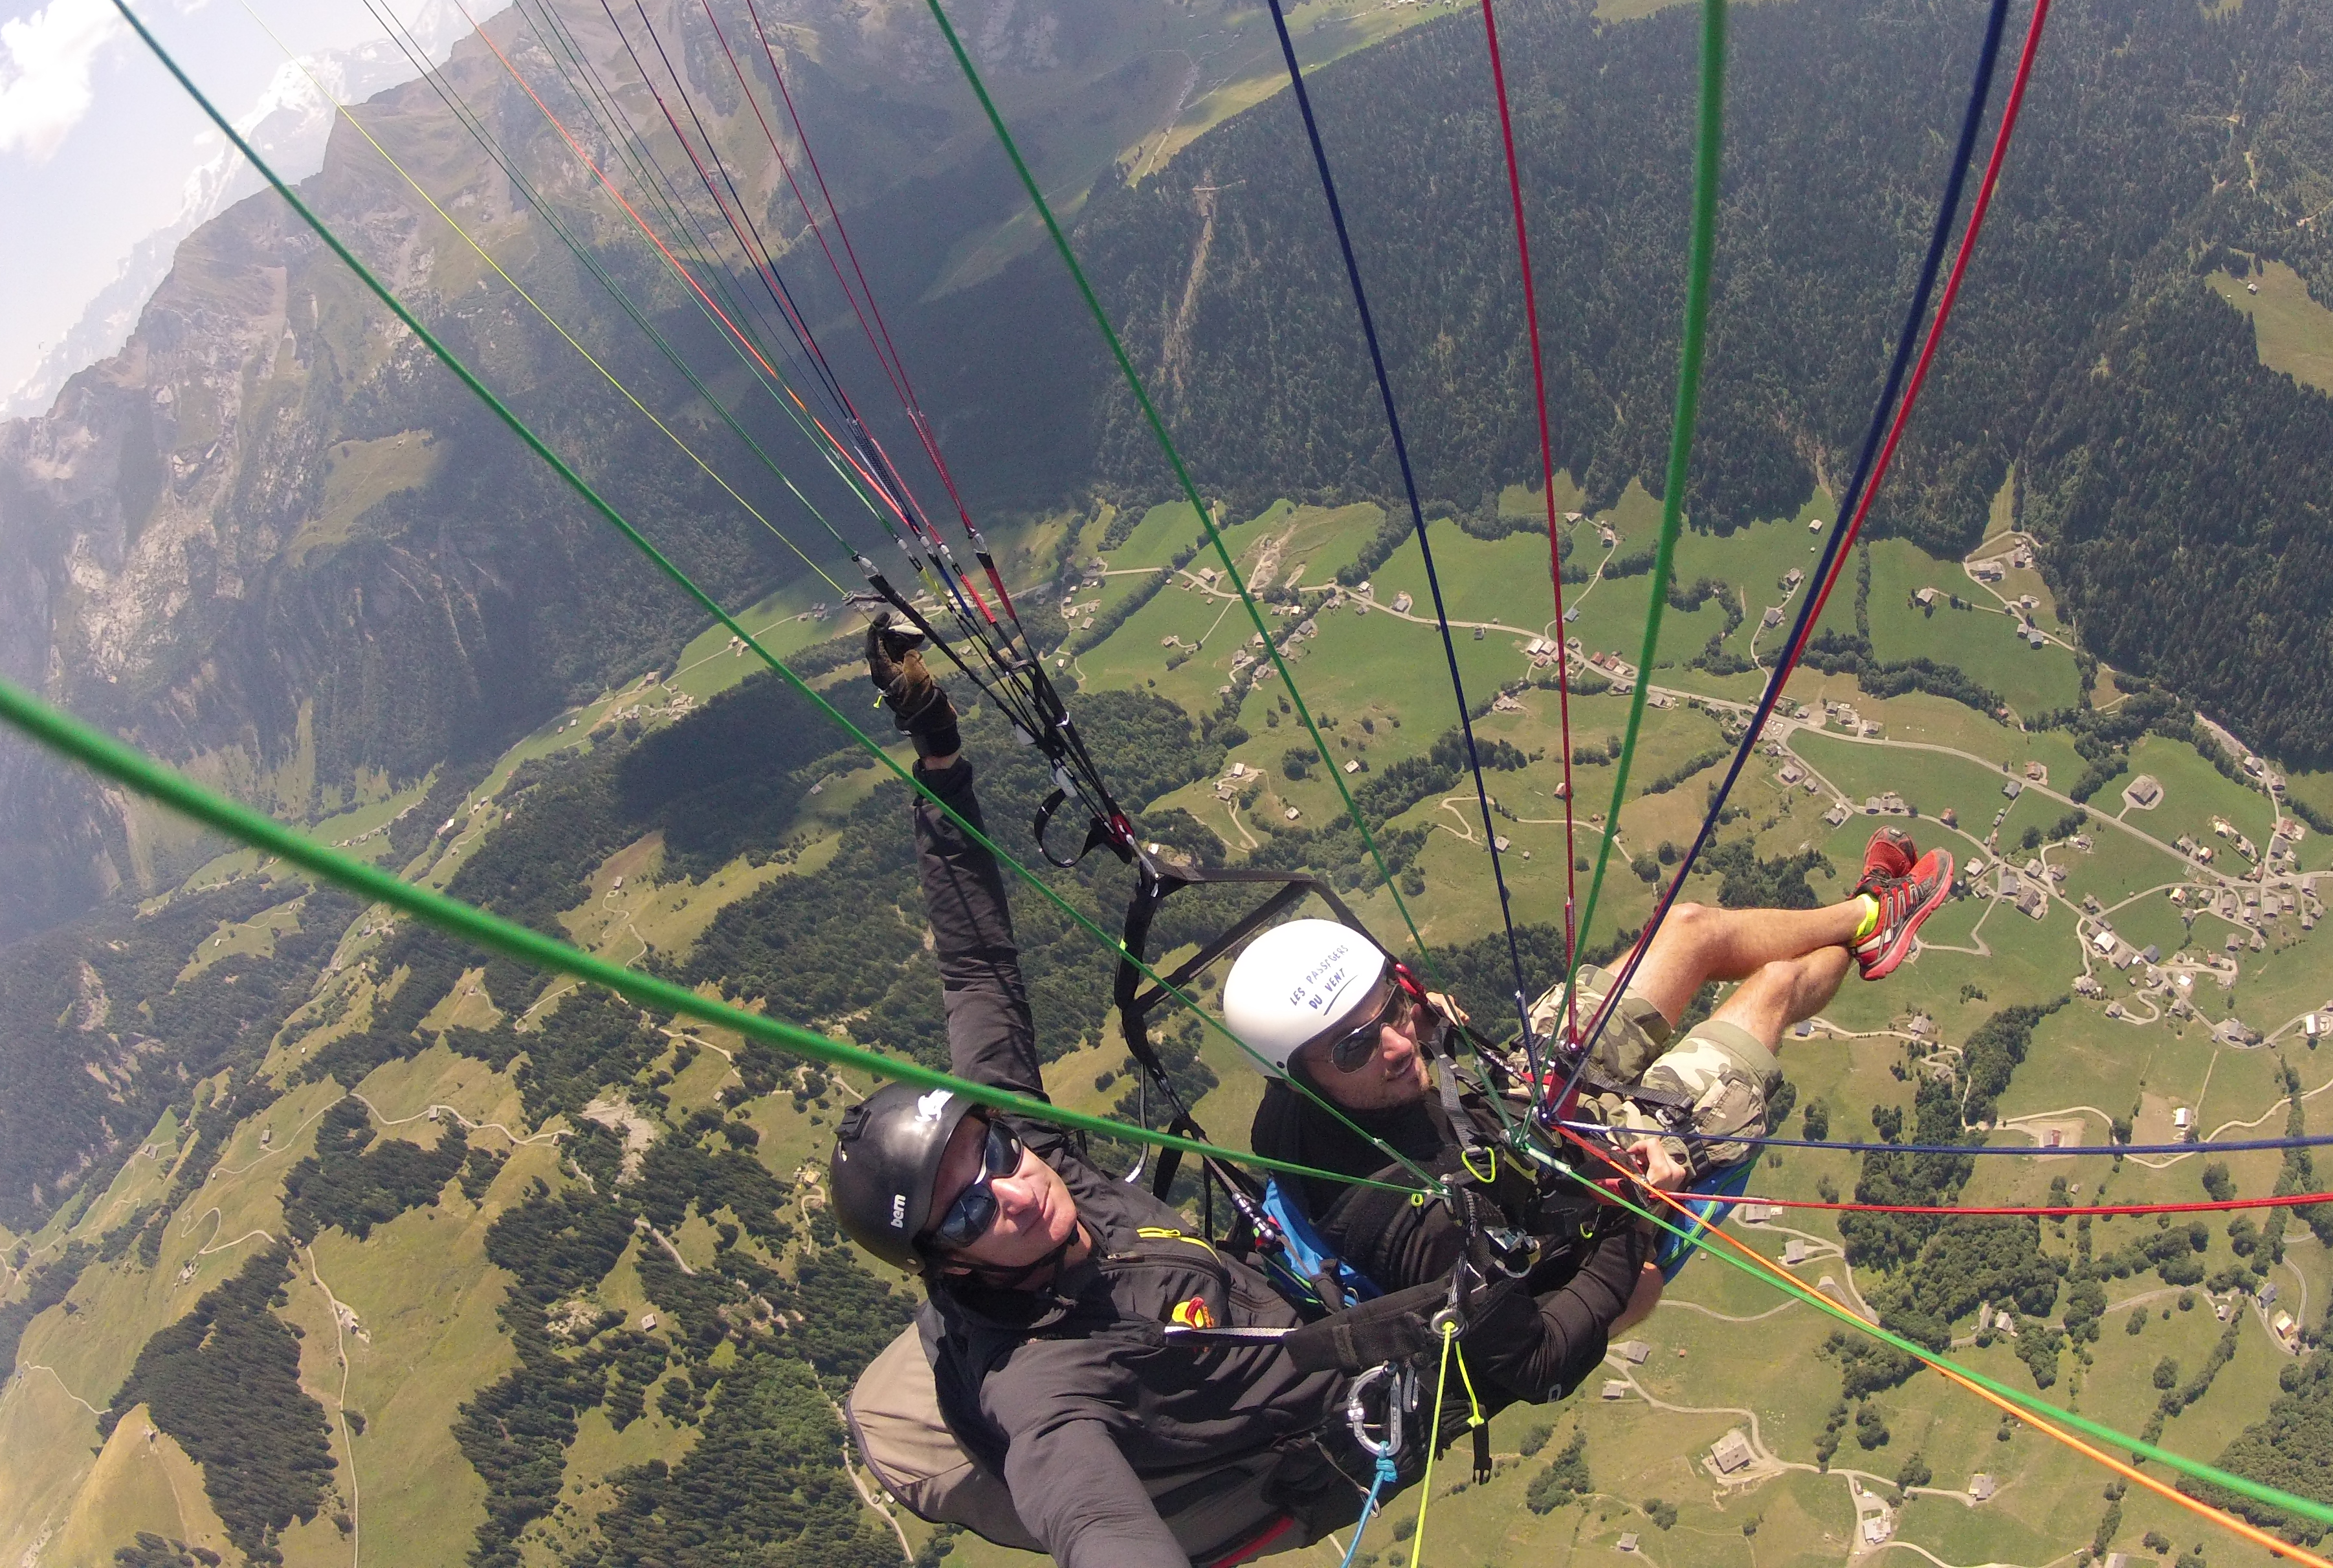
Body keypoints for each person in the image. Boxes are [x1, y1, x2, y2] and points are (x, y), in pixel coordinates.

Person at [830, 619, 1384, 1568]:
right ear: (945, 1266)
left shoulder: (1028, 1153)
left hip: (1251, 1296)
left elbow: (976, 974)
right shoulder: (1044, 1391)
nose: (1011, 1185)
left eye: (995, 1154)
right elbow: (1091, 1520)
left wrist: (940, 756)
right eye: (967, 1209)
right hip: (1276, 1432)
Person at [1218, 830, 1954, 1401]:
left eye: (1392, 1007)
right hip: (1598, 1190)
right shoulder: (1413, 1230)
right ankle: (1872, 935)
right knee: (1774, 987)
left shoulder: (1316, 1087)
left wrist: (1424, 1022)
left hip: (1512, 1102)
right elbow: (1535, 1361)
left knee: (1691, 927)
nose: (1395, 1044)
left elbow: (1386, 1042)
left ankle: (1872, 912)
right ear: (1299, 1080)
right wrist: (1627, 1207)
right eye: (1354, 1047)